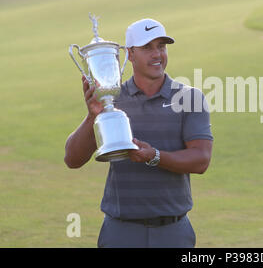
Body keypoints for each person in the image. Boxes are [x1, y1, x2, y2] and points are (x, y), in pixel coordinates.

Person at [64, 18, 214, 248]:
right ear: (129, 55)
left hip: (173, 232)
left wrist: (154, 156)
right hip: (121, 232)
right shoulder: (111, 98)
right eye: (147, 48)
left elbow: (201, 160)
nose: (157, 54)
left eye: (161, 47)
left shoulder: (190, 98)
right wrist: (93, 116)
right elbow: (72, 160)